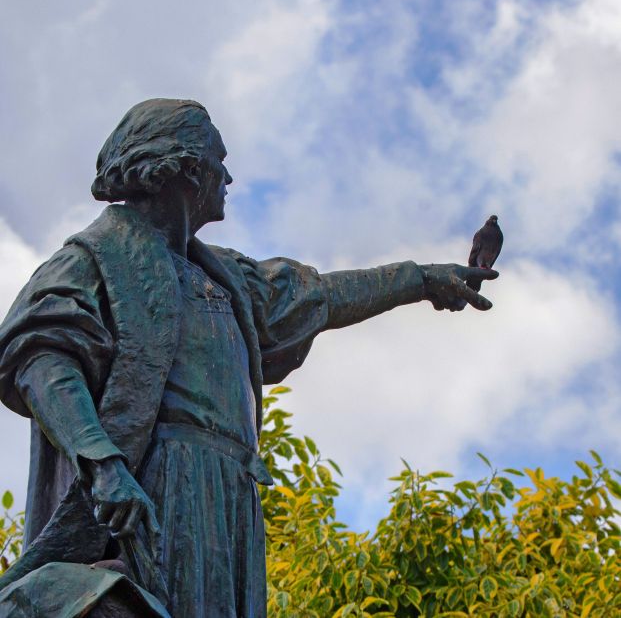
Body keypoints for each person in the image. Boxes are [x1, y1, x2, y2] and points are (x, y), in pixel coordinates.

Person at [0, 99, 498, 617]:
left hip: (230, 493)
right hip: (153, 481)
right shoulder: (93, 258)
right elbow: (43, 359)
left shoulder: (227, 277)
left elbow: (321, 296)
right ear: (188, 168)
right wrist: (102, 465)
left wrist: (420, 279)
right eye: (220, 161)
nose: (229, 176)